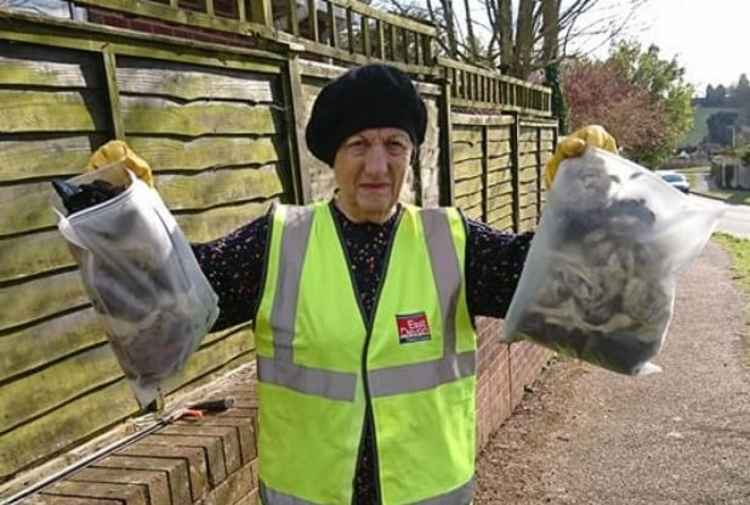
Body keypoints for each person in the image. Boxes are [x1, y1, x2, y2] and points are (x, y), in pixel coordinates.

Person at [86, 64, 616, 505]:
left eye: (394, 144)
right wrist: (127, 220)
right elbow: (172, 306)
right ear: (332, 158)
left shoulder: (453, 241)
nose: (377, 165)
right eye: (359, 144)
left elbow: (567, 288)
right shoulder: (277, 243)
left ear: (412, 154)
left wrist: (587, 199)